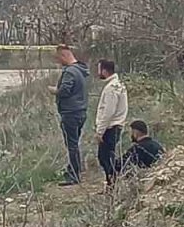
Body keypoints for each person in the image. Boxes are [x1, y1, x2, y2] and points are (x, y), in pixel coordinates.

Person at [49, 45, 90, 186]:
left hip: (70, 113)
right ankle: (74, 169)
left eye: (59, 58)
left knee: (72, 145)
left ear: (64, 56)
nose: (58, 62)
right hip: (81, 111)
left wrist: (55, 91)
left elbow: (65, 91)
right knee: (75, 143)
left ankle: (74, 174)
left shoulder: (70, 72)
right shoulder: (81, 70)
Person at [94, 59, 129, 188]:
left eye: (99, 70)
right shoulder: (118, 85)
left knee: (105, 158)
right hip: (115, 126)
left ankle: (112, 184)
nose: (98, 73)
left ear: (104, 70)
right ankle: (111, 184)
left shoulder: (111, 88)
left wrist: (100, 131)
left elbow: (108, 111)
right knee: (107, 157)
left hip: (110, 128)